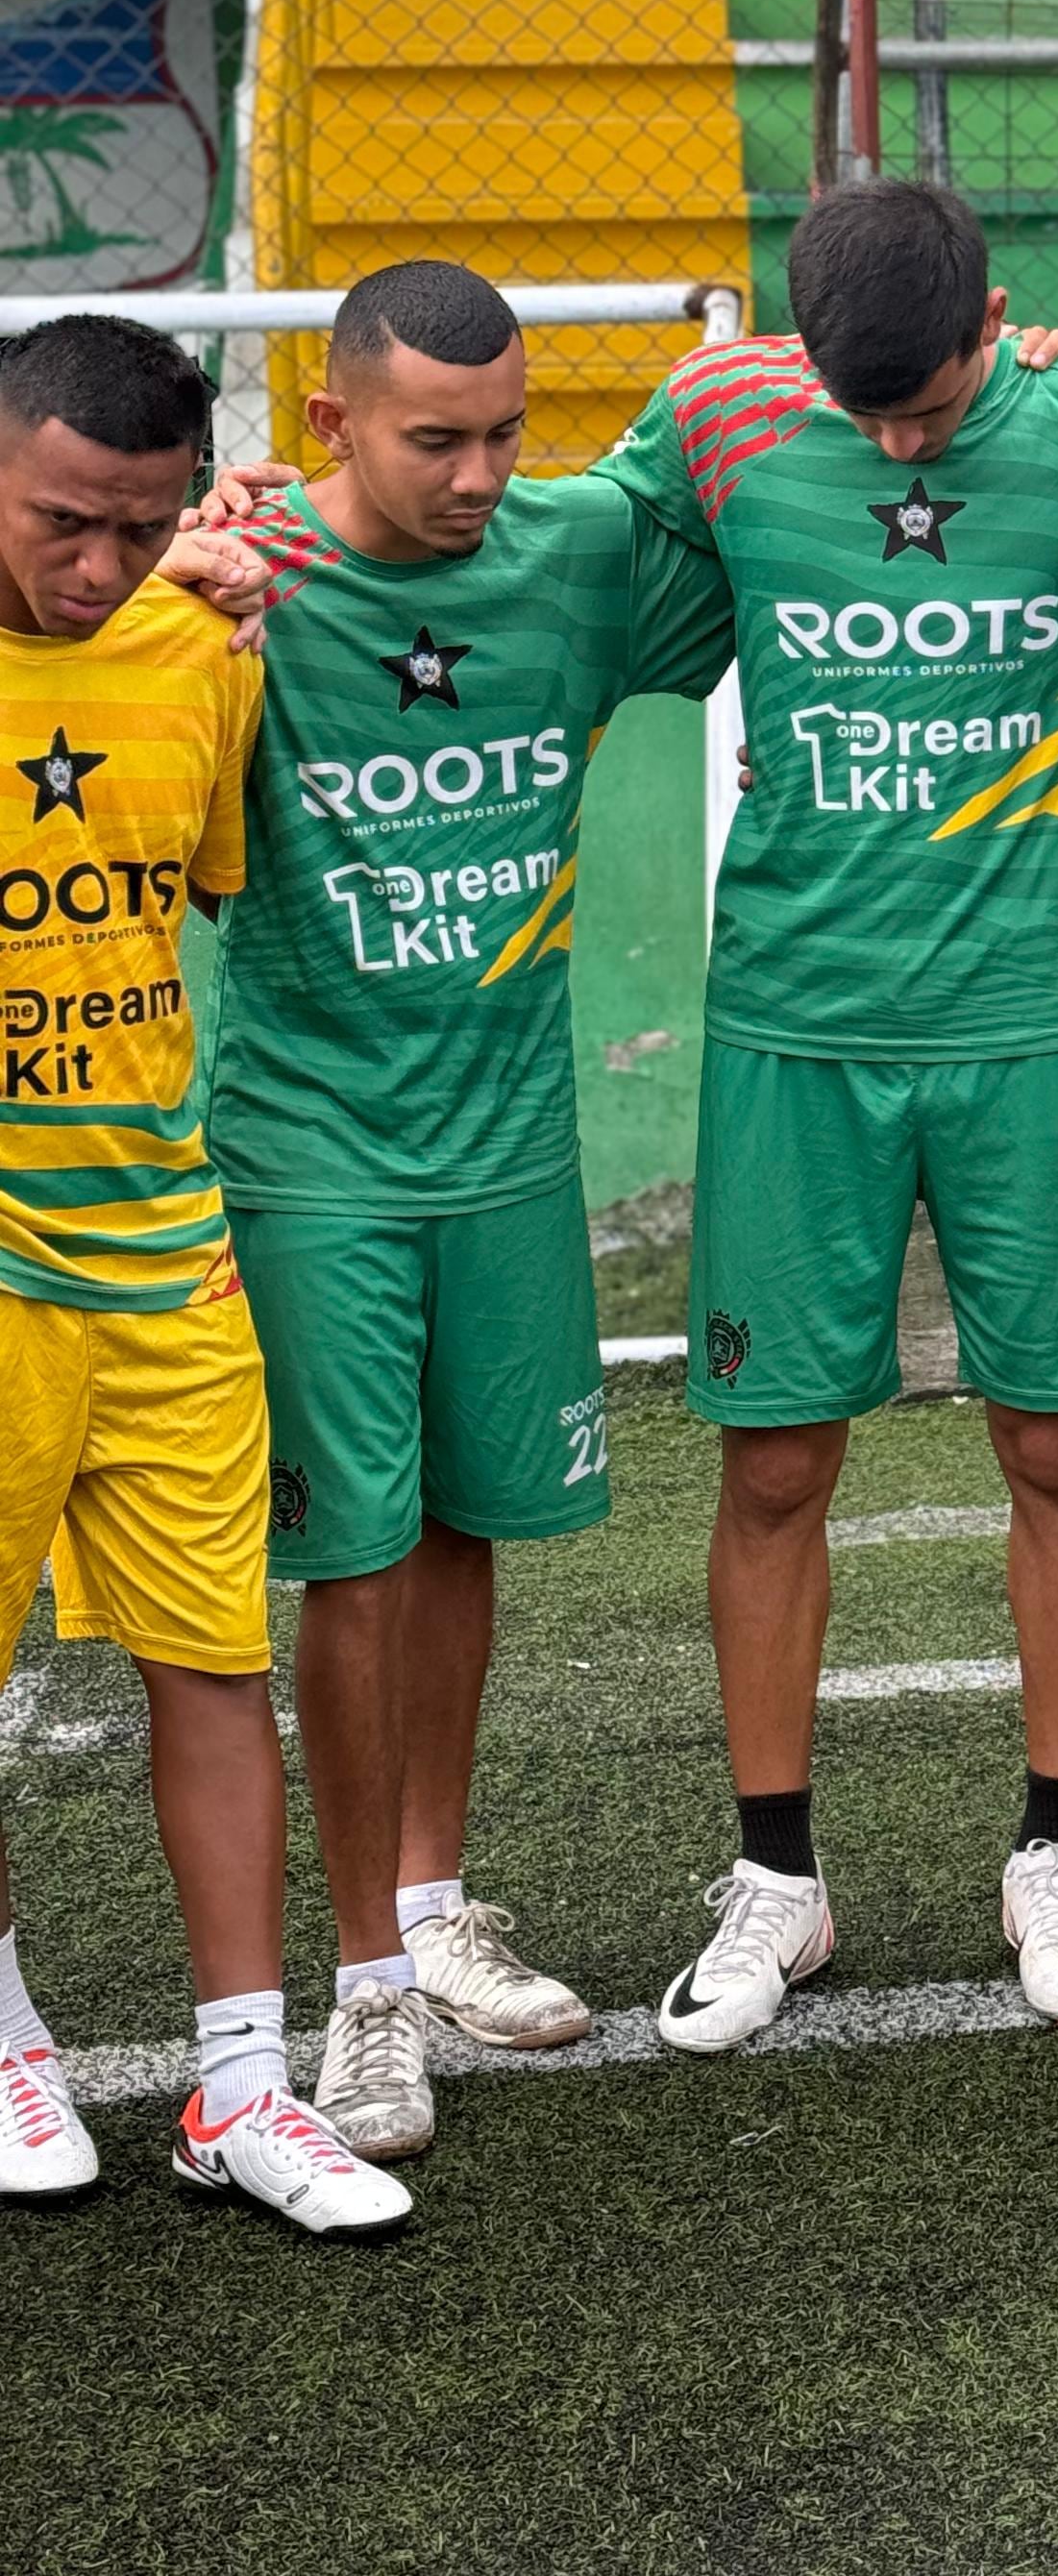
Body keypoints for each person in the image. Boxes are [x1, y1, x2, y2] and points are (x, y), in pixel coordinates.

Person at [602, 179, 1058, 2049]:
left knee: (1053, 1449)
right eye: (863, 411)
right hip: (794, 1024)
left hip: (1027, 1027)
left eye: (930, 409)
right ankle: (779, 1879)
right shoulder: (714, 417)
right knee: (775, 1463)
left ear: (1001, 321)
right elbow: (540, 556)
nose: (893, 442)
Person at [191, 260, 732, 2162]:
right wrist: (194, 568)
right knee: (348, 1559)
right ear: (327, 422)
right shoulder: (237, 582)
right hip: (312, 1151)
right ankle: (360, 2000)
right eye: (439, 439)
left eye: (509, 432)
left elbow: (739, 475)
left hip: (512, 1147)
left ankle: (430, 1909)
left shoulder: (567, 552)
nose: (483, 474)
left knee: (461, 1524)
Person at [0, 313, 404, 2232]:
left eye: (134, 526)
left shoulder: (193, 648)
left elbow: (195, 906)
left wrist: (202, 578)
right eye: (58, 522)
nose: (94, 567)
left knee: (210, 1660)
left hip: (166, 1256)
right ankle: (6, 2039)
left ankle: (241, 2089)